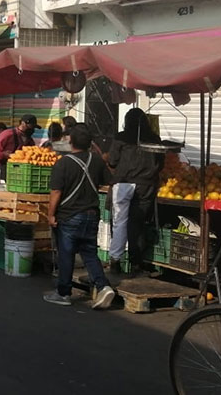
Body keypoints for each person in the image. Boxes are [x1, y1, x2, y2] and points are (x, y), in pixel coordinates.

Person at [43, 124, 115, 309]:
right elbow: (109, 182)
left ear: (71, 141)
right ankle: (103, 286)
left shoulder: (63, 163)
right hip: (91, 214)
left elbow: (56, 192)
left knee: (66, 254)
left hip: (69, 216)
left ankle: (63, 293)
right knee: (89, 253)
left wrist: (51, 214)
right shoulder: (97, 161)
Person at [107, 108, 163, 275]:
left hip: (123, 182)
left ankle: (115, 261)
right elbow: (160, 164)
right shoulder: (154, 138)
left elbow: (112, 160)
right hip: (146, 185)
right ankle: (136, 262)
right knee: (137, 223)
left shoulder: (121, 137)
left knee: (119, 222)